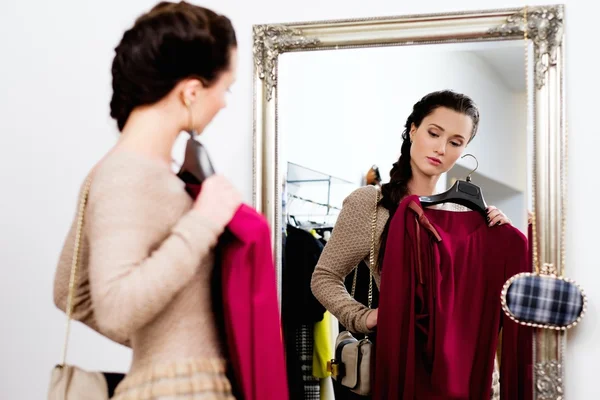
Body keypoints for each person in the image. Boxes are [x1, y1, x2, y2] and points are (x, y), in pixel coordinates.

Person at [53, 2, 241, 399]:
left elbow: (71, 293)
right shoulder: (131, 173)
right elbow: (116, 307)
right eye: (225, 87)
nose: (225, 102)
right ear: (192, 91)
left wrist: (163, 343)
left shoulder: (120, 170)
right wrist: (203, 221)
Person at [311, 90, 513, 398]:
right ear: (413, 129)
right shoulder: (371, 203)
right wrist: (365, 317)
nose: (441, 148)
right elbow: (324, 277)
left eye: (455, 142)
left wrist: (497, 233)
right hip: (404, 369)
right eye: (434, 133)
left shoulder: (467, 216)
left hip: (468, 374)